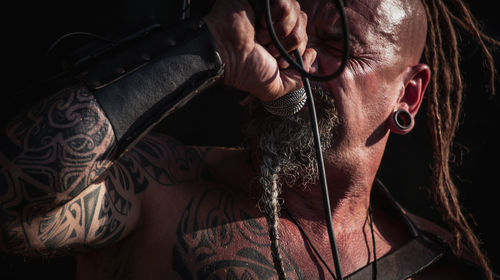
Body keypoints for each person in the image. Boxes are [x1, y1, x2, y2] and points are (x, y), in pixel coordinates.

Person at [0, 0, 498, 279]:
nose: (301, 62)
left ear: (408, 95)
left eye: (336, 48)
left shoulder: (439, 260)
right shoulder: (161, 187)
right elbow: (14, 199)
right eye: (295, 40)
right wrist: (209, 51)